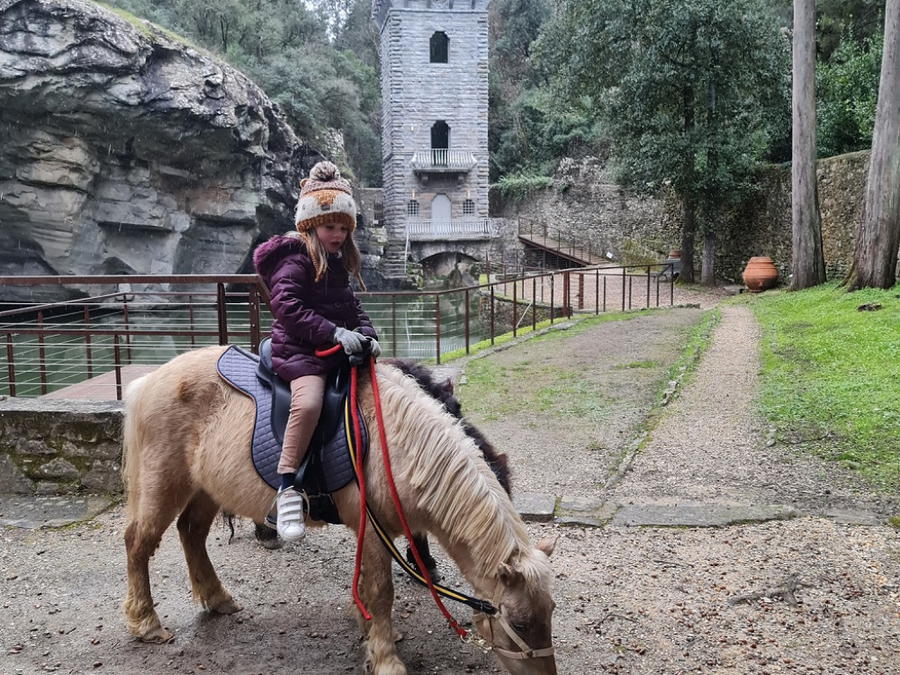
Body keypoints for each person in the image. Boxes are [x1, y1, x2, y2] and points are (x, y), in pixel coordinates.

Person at [252, 161, 380, 542]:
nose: (338, 234)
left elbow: (351, 306)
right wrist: (334, 333)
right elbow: (287, 309)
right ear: (309, 224)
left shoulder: (338, 263)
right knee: (308, 403)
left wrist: (366, 335)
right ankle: (287, 486)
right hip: (300, 351)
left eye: (343, 227)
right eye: (330, 226)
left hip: (333, 347)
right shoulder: (294, 259)